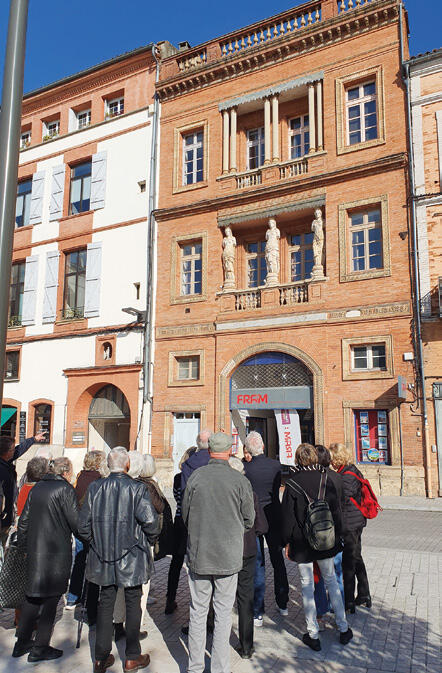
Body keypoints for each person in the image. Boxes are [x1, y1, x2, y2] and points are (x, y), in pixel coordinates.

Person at [78, 447, 160, 673]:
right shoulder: (136, 488)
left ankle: (101, 657)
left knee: (106, 603)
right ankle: (131, 656)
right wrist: (148, 541)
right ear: (126, 466)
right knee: (132, 603)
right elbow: (151, 523)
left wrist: (96, 542)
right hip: (130, 555)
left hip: (106, 555)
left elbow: (83, 526)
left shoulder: (97, 488)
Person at [182, 432, 255, 673]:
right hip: (227, 554)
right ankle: (220, 668)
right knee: (223, 613)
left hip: (200, 552)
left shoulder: (195, 477)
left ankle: (195, 666)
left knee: (198, 610)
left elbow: (185, 514)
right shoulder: (239, 481)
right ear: (230, 449)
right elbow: (249, 519)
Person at [281, 443, 353, 652]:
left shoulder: (292, 483)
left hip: (302, 544)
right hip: (325, 539)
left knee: (306, 586)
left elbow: (287, 518)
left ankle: (312, 633)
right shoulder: (329, 478)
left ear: (297, 459)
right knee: (331, 581)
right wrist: (338, 535)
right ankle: (343, 627)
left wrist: (286, 542)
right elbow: (337, 511)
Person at [14, 457, 79, 662]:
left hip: (35, 550)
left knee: (32, 597)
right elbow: (76, 523)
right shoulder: (65, 490)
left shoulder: (37, 487)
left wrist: (24, 547)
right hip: (55, 552)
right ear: (66, 472)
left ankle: (22, 641)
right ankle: (40, 647)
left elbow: (23, 521)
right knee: (50, 600)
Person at [243, 431, 289, 622]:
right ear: (262, 446)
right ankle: (283, 603)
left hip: (254, 517)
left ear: (248, 450)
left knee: (258, 563)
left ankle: (258, 611)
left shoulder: (245, 468)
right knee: (277, 560)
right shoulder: (275, 466)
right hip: (273, 515)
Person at [229, 456, 268, 659]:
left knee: (222, 597)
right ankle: (246, 646)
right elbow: (262, 526)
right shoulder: (250, 494)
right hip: (246, 550)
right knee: (245, 597)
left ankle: (215, 633)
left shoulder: (222, 494)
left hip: (225, 552)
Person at [329, 442, 371, 613]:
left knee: (348, 564)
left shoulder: (346, 476)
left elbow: (342, 503)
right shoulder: (352, 470)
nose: (331, 463)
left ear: (338, 459)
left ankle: (349, 603)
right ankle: (364, 594)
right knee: (356, 558)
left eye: (332, 459)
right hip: (356, 522)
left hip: (350, 525)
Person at [66, 450, 107, 611]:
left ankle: (72, 597)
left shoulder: (80, 476)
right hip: (92, 527)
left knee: (79, 561)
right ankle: (88, 599)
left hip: (79, 524)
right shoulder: (99, 480)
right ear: (99, 463)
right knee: (93, 564)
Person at [312, 445, 345, 629]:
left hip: (322, 534)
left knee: (320, 577)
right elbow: (343, 506)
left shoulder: (317, 480)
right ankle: (337, 607)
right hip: (337, 533)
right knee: (336, 574)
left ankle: (321, 610)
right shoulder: (338, 477)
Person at [0, 432, 46, 546]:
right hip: (2, 517)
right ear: (5, 453)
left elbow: (19, 450)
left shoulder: (6, 462)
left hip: (6, 517)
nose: (14, 451)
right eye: (11, 449)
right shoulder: (1, 469)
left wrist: (33, 439)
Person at [165, 447, 196, 615]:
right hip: (191, 523)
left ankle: (170, 598)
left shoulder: (178, 478)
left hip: (179, 521)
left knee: (175, 563)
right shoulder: (196, 477)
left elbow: (178, 499)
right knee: (193, 565)